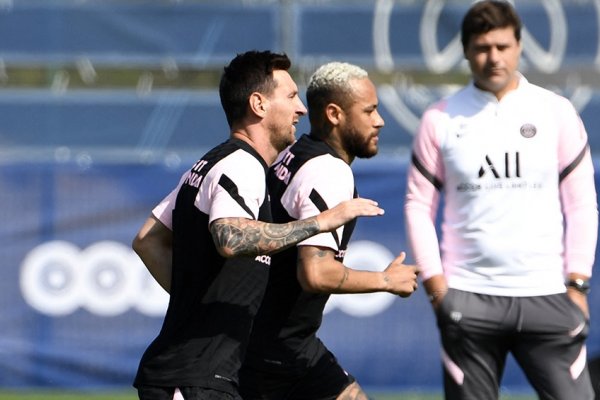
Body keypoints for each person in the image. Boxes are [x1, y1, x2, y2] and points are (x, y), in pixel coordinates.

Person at [132, 50, 387, 400]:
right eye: (291, 97)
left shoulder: (211, 162)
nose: (300, 109)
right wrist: (319, 222)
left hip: (203, 375)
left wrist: (197, 302)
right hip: (193, 377)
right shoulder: (242, 166)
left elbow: (148, 240)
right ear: (259, 104)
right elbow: (229, 237)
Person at [404, 1, 597, 399]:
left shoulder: (556, 112)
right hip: (469, 297)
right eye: (482, 47)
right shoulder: (439, 119)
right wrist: (439, 290)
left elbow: (581, 204)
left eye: (503, 46)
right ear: (465, 51)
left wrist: (577, 284)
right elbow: (417, 206)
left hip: (547, 294)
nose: (494, 57)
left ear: (520, 46)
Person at [238, 62, 419, 400]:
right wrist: (385, 280)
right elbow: (316, 273)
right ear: (335, 114)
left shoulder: (292, 154)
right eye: (369, 111)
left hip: (270, 340)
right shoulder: (329, 171)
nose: (379, 120)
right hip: (278, 350)